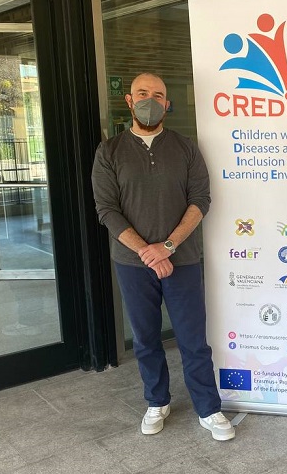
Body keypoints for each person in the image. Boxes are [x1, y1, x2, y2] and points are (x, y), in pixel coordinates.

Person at [91, 73, 234, 441]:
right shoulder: (109, 152)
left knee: (192, 339)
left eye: (158, 95)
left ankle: (208, 408)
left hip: (182, 259)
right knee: (146, 338)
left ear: (167, 103)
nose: (150, 100)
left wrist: (166, 247)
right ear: (129, 100)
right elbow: (106, 209)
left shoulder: (186, 148)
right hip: (132, 263)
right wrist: (147, 252)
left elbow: (200, 199)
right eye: (142, 93)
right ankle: (157, 401)